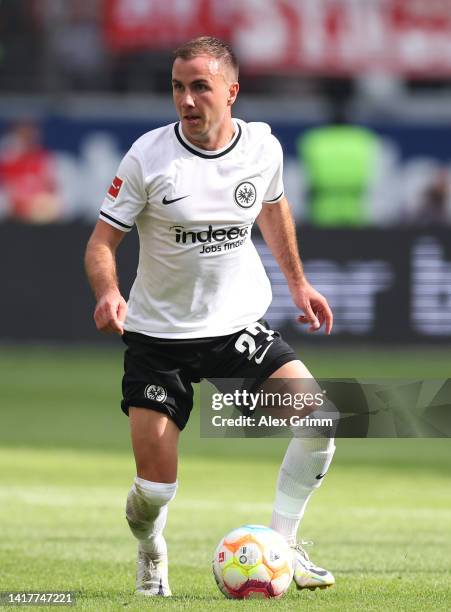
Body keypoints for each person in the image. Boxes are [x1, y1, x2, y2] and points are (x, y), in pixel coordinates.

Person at [85, 36, 335, 598]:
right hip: (158, 339)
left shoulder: (263, 148)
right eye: (178, 87)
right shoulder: (149, 157)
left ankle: (284, 545)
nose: (187, 100)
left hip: (236, 329)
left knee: (320, 420)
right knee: (152, 492)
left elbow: (273, 207)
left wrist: (298, 282)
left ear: (232, 92)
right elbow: (101, 242)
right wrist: (107, 292)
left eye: (201, 87)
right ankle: (151, 549)